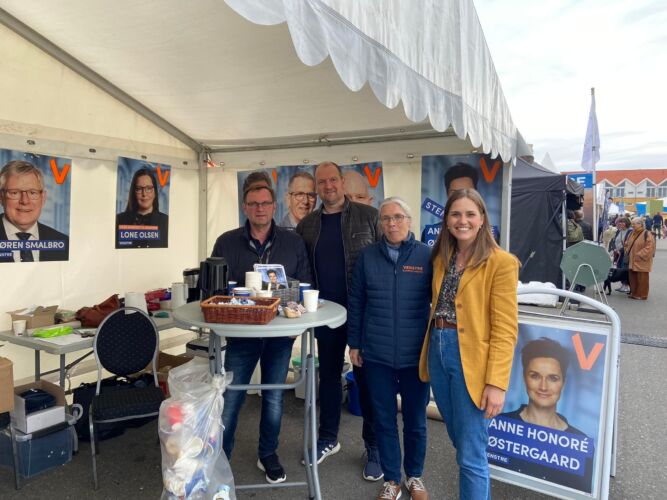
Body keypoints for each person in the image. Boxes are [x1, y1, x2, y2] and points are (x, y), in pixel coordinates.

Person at [418, 188, 519, 499]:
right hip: (438, 350)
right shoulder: (441, 257)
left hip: (471, 359)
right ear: (447, 220)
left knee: (471, 453)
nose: (463, 220)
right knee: (460, 440)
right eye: (456, 214)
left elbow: (505, 328)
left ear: (482, 218)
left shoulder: (501, 262)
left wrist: (497, 383)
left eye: (470, 214)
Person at [211, 184, 311, 484]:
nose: (260, 208)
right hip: (242, 334)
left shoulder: (293, 242)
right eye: (254, 203)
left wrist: (293, 318)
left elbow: (305, 284)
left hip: (281, 336)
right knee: (231, 398)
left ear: (274, 206)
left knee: (274, 397)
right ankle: (220, 460)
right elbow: (214, 288)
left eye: (265, 203)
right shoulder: (226, 242)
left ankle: (267, 454)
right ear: (245, 207)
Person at [296, 161, 383, 480]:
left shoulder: (369, 217)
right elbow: (302, 272)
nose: (328, 186)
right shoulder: (307, 225)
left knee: (367, 380)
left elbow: (385, 261)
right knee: (329, 377)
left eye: (333, 180)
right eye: (322, 182)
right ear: (317, 187)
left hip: (364, 314)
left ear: (343, 182)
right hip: (326, 315)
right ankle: (328, 439)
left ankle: (373, 446)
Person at [348, 197, 432, 500]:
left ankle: (415, 476)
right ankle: (392, 480)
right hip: (377, 356)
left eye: (398, 217)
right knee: (383, 421)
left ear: (409, 221)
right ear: (379, 224)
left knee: (416, 422)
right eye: (385, 218)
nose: (392, 223)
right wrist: (354, 343)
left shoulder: (427, 255)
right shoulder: (367, 256)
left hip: (415, 357)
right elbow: (357, 301)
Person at [497, 338, 594, 493]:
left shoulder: (580, 443)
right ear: (524, 378)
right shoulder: (499, 425)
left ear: (563, 382)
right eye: (535, 376)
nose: (543, 386)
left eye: (553, 378)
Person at [0, 160, 69, 262]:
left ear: (43, 198)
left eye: (32, 193)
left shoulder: (64, 243)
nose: (24, 201)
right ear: (1, 197)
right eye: (14, 193)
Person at [420, 162, 479, 244]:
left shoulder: (490, 235)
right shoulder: (430, 234)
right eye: (455, 193)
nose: (462, 197)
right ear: (447, 194)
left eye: (468, 191)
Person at [116, 168, 169, 248]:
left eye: (148, 188)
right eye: (139, 189)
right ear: (133, 192)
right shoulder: (119, 220)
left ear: (155, 192)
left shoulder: (166, 221)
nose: (144, 194)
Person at [624, 216, 656, 300]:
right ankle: (634, 293)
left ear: (640, 224)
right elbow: (627, 244)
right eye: (632, 224)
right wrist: (626, 249)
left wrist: (639, 255)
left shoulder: (647, 234)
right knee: (633, 278)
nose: (632, 226)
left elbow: (649, 248)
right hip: (632, 260)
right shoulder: (632, 233)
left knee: (642, 278)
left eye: (634, 224)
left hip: (642, 261)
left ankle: (642, 295)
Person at [608, 217, 632, 293]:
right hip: (618, 254)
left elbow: (628, 244)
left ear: (626, 223)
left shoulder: (630, 231)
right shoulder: (619, 231)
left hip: (625, 254)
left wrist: (620, 250)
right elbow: (614, 241)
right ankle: (623, 285)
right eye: (619, 222)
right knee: (619, 268)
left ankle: (626, 286)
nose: (620, 224)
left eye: (622, 222)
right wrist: (614, 249)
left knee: (624, 270)